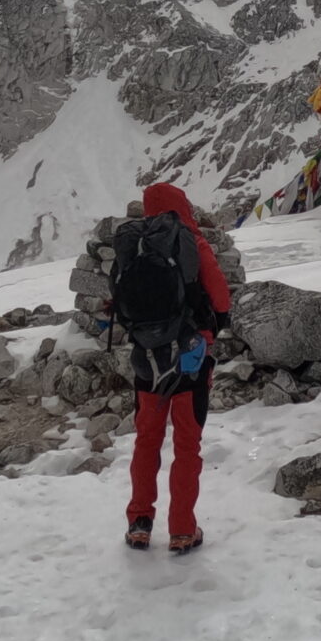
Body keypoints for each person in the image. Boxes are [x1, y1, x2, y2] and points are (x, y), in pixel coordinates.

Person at [119, 182, 231, 555]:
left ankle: (139, 523)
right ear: (182, 205)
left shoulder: (132, 245)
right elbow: (220, 296)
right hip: (190, 360)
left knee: (146, 440)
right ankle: (182, 529)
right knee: (186, 444)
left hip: (147, 360)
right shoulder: (191, 242)